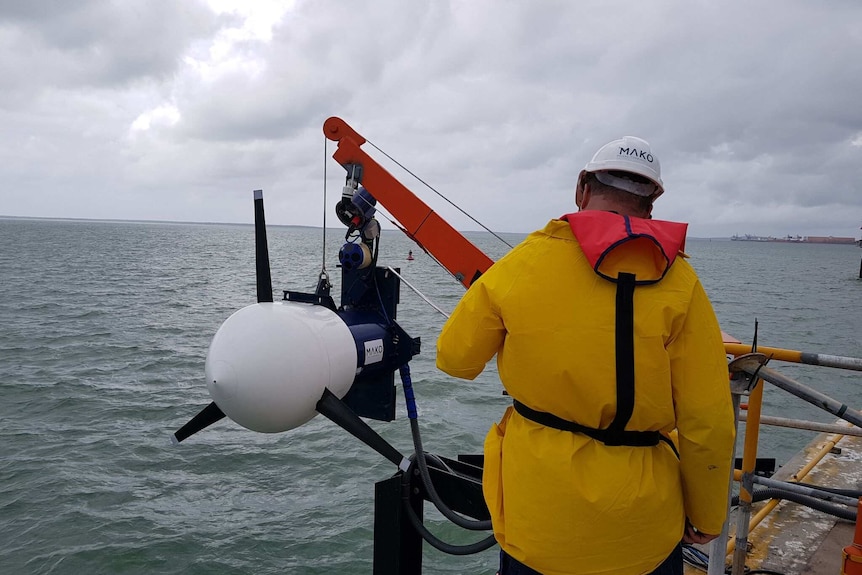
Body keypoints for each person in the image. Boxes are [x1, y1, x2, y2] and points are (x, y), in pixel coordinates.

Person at [436, 136, 736, 575]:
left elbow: (455, 360)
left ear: (581, 188)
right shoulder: (681, 281)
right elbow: (707, 419)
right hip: (643, 529)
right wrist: (708, 515)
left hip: (539, 521)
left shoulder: (523, 263)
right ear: (651, 203)